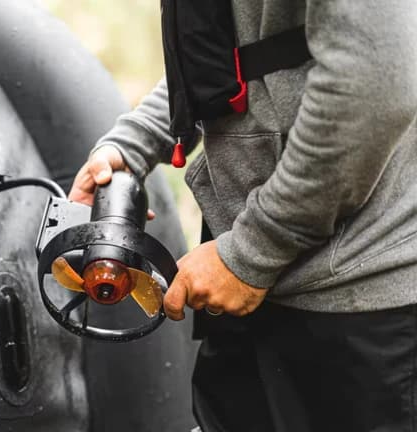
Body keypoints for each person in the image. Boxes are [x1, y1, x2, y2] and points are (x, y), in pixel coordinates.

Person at [69, 1, 417, 431]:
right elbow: (232, 52)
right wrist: (134, 142)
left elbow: (375, 81)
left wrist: (253, 250)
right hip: (248, 283)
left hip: (355, 304)